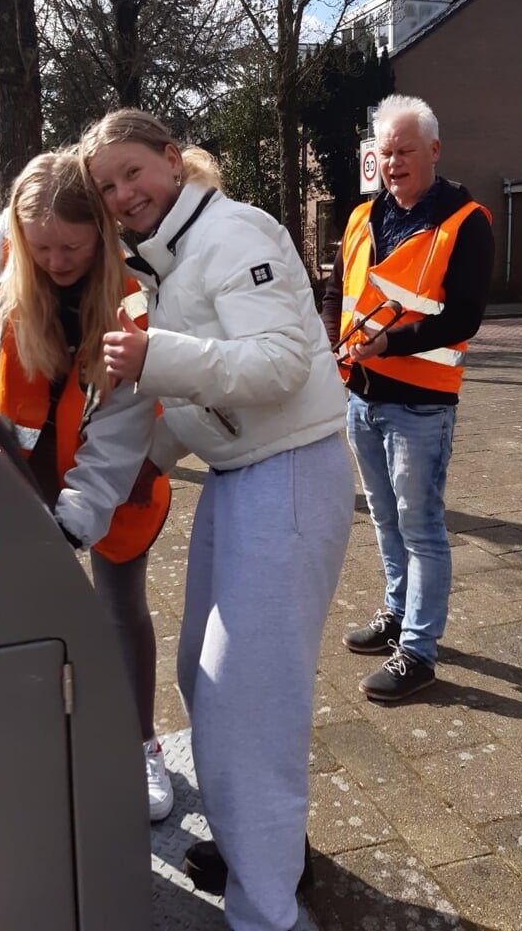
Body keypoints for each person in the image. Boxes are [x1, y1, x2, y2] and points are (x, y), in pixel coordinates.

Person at [86, 110, 352, 931]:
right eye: (107, 187)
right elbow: (213, 388)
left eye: (133, 171)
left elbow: (277, 366)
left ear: (172, 160)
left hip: (291, 473)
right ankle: (259, 845)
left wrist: (152, 357)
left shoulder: (235, 232)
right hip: (241, 478)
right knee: (204, 680)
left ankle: (268, 911)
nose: (122, 194)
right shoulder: (165, 261)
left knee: (249, 704)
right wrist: (151, 460)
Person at [0, 152, 177, 821]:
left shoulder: (132, 296)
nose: (57, 261)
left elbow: (119, 438)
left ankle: (140, 741)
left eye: (74, 247)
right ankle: (43, 738)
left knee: (119, 607)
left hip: (118, 481)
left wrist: (68, 528)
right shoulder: (11, 238)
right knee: (27, 609)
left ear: (102, 236)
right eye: (42, 247)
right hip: (24, 466)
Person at [319, 95, 494, 702]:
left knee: (421, 528)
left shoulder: (466, 221)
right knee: (386, 518)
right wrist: (330, 346)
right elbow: (340, 290)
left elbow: (464, 318)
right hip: (361, 397)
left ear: (434, 152)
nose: (393, 163)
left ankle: (418, 652)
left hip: (422, 405)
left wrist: (389, 342)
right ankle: (397, 613)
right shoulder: (361, 217)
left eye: (405, 151)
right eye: (386, 152)